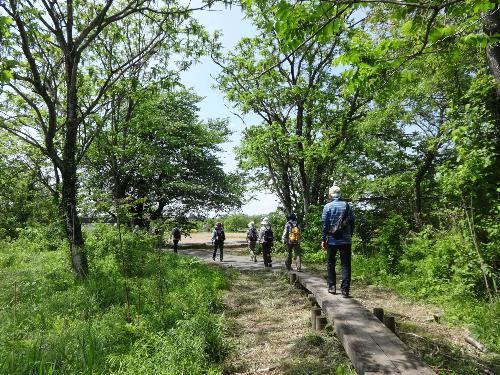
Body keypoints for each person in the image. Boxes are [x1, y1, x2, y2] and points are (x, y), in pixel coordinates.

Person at [321, 185, 355, 297]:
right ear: (340, 194)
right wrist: (350, 235)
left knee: (331, 263)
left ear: (330, 194)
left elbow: (325, 224)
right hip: (346, 240)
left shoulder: (327, 207)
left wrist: (323, 239)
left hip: (332, 240)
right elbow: (352, 222)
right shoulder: (347, 206)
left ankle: (332, 287)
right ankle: (345, 290)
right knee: (345, 264)